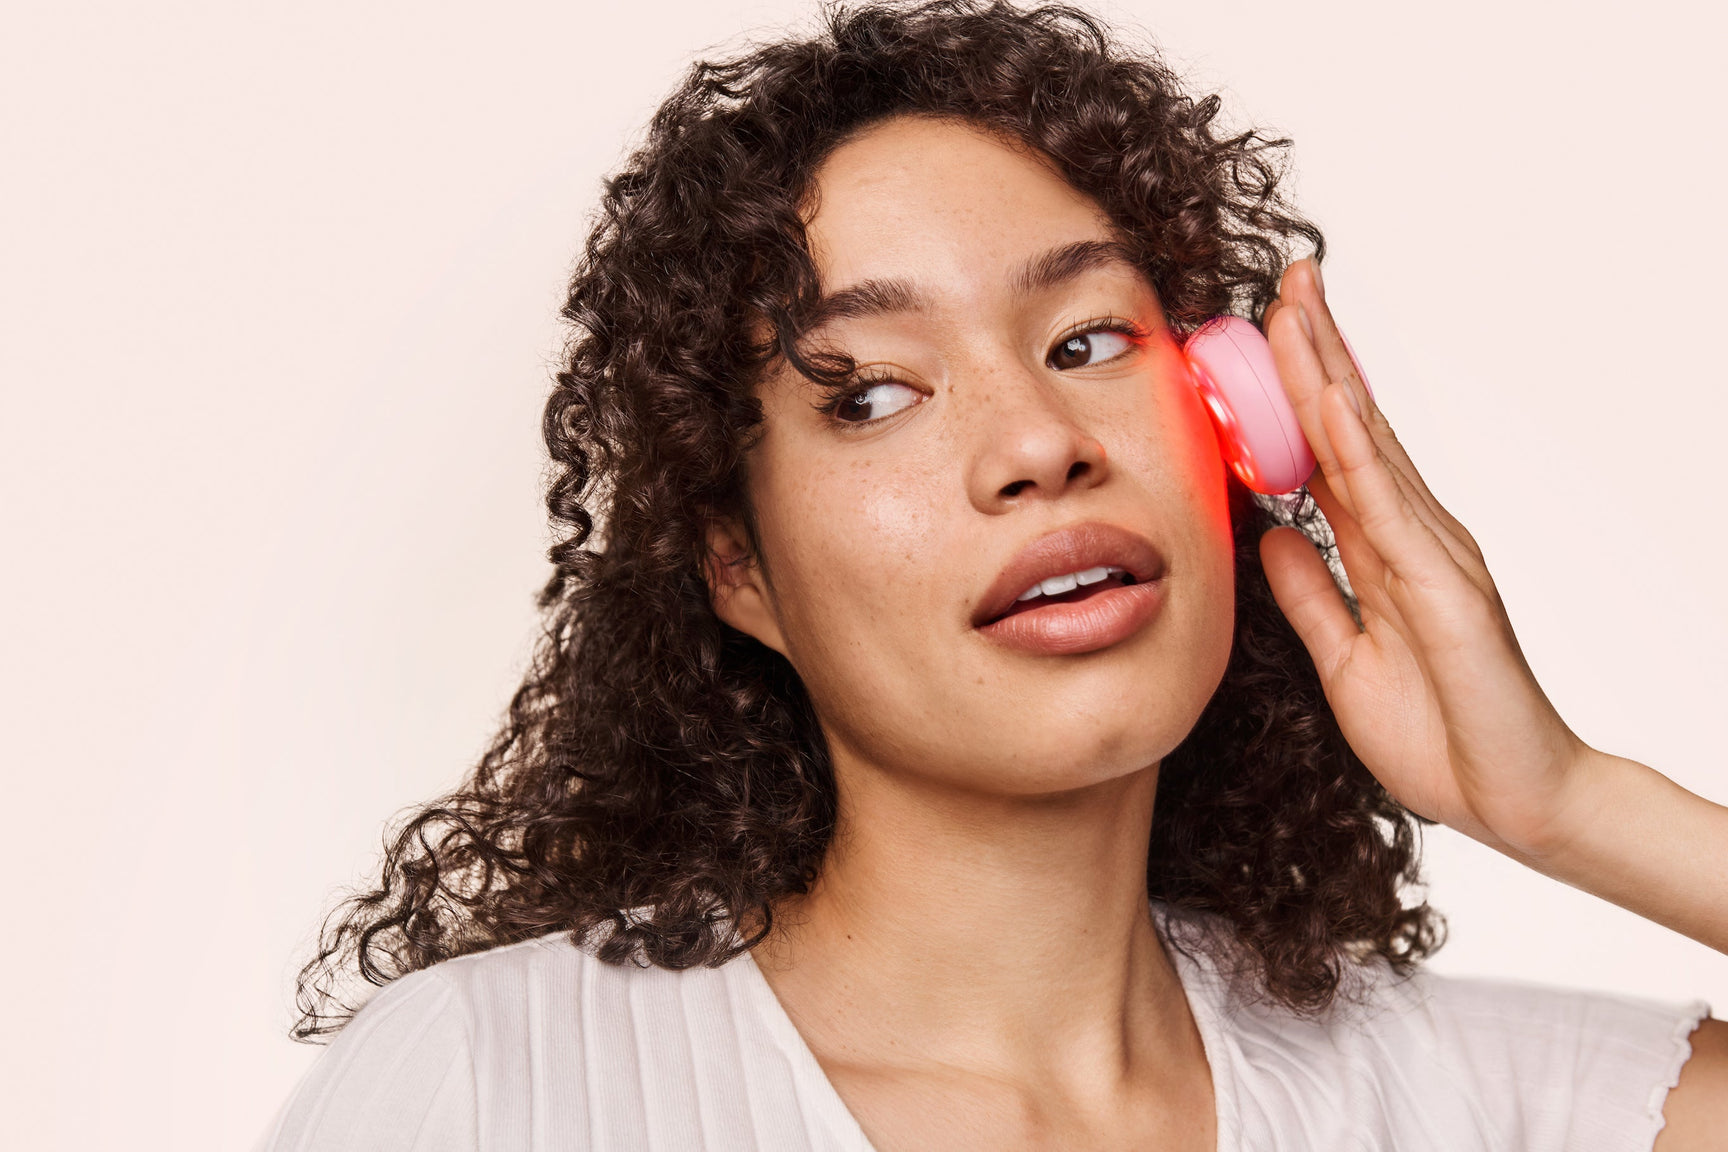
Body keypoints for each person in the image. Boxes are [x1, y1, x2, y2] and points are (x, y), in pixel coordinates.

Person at [255, 2, 1728, 1148]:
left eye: (1088, 341)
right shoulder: (499, 1089)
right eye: (874, 391)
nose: (1037, 442)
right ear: (735, 567)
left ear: (1234, 422)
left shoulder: (1466, 1106)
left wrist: (1570, 804)